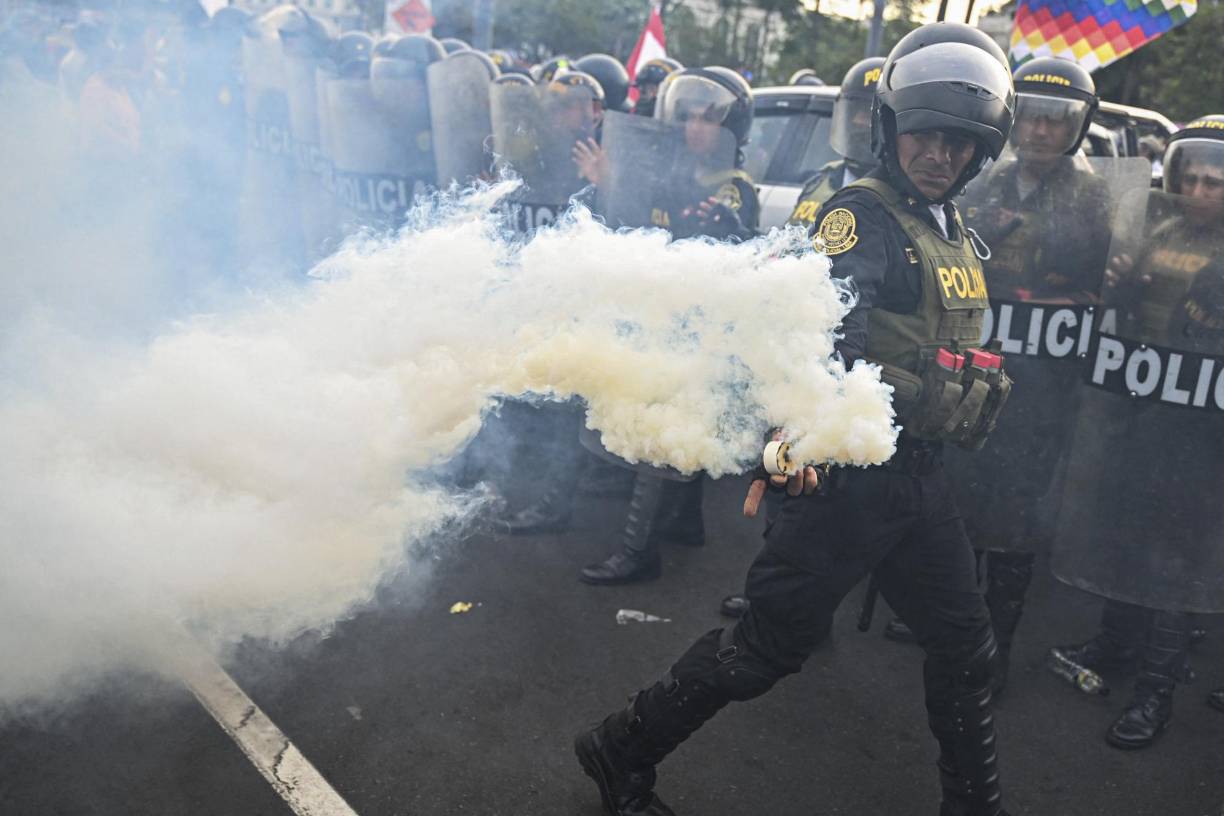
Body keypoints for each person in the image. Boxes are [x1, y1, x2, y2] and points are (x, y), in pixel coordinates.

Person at [574, 22, 1017, 816]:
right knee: (761, 653)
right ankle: (619, 746)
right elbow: (825, 336)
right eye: (923, 134)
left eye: (959, 142)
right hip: (847, 482)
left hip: (919, 482)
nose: (939, 155)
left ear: (980, 152)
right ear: (890, 128)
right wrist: (853, 417)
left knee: (966, 645)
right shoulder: (863, 215)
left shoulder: (956, 232)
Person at [879, 58, 1115, 698]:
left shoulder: (1095, 196)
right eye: (1031, 117)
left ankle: (997, 649)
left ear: (1078, 126)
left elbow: (1099, 287)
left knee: (1014, 519)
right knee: (961, 500)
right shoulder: (980, 180)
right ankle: (955, 623)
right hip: (974, 367)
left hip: (1043, 384)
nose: (1040, 131)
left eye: (1056, 120)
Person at [1049, 115, 1224, 749]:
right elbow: (1123, 318)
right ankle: (1115, 644)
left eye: (1216, 182)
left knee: (1175, 558)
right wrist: (1120, 288)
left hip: (1203, 429)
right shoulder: (1164, 229)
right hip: (1137, 409)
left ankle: (1157, 689)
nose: (1201, 191)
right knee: (1124, 530)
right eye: (1193, 178)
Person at [573, 65, 759, 586]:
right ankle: (686, 522)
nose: (695, 127)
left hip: (701, 326)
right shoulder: (673, 173)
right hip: (666, 319)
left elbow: (714, 233)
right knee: (681, 424)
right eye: (690, 117)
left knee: (659, 436)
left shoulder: (733, 186)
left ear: (732, 128)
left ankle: (638, 553)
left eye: (708, 119)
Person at [719, 55, 886, 619]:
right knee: (780, 468)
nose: (863, 125)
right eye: (856, 112)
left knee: (819, 498)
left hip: (842, 362)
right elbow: (796, 241)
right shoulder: (824, 177)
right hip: (795, 348)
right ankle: (772, 595)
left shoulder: (888, 198)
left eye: (875, 114)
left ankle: (794, 612)